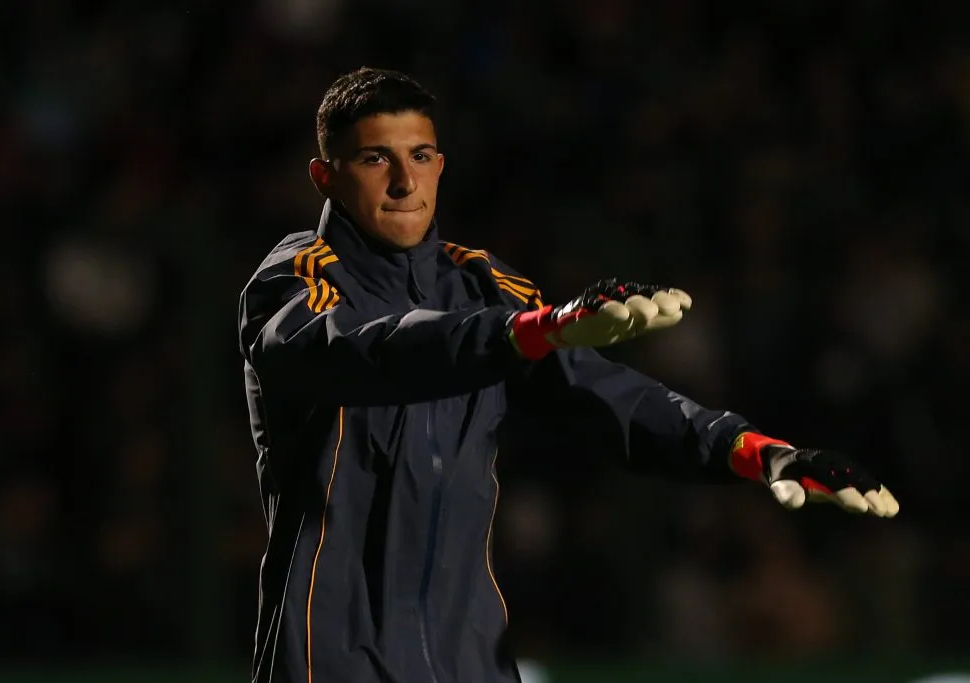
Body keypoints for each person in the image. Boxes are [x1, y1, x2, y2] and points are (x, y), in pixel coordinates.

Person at [236, 67, 899, 683]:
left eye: (420, 156)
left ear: (440, 165)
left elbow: (607, 394)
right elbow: (360, 351)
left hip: (471, 660)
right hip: (332, 661)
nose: (405, 181)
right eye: (376, 157)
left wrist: (754, 450)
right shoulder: (298, 278)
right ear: (325, 176)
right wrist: (525, 331)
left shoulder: (480, 282)